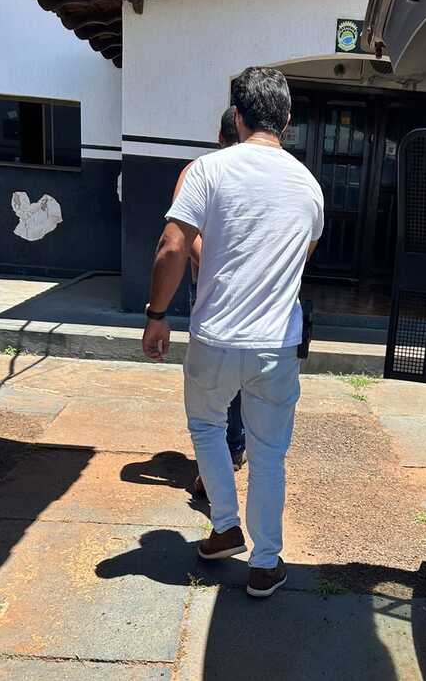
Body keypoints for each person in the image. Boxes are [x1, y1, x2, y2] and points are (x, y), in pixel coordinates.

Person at [142, 67, 324, 598]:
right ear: (286, 120)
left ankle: (225, 527)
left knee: (207, 427)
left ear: (238, 117)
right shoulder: (309, 186)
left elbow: (172, 246)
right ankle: (265, 564)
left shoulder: (208, 170)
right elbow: (301, 259)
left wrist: (157, 314)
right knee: (268, 454)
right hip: (276, 345)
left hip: (215, 337)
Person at [174, 107, 246, 495]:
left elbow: (182, 240)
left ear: (219, 136)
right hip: (233, 291)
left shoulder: (198, 170)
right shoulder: (204, 172)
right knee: (233, 379)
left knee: (213, 382)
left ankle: (225, 456)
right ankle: (229, 452)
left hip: (213, 291)